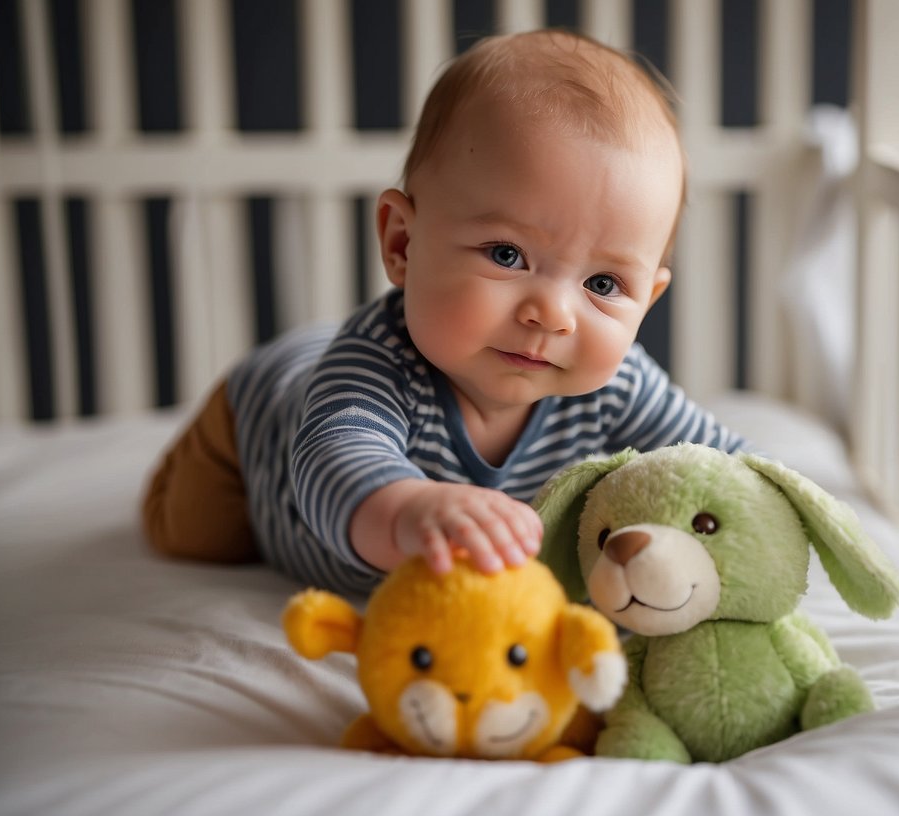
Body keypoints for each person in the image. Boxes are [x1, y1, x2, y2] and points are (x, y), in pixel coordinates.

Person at [142, 29, 746, 595]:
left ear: (646, 302)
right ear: (402, 243)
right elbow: (334, 458)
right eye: (508, 255)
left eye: (604, 283)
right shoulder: (379, 368)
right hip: (260, 421)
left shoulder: (618, 385)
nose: (552, 313)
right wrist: (408, 509)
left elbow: (725, 470)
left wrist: (773, 507)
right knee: (193, 535)